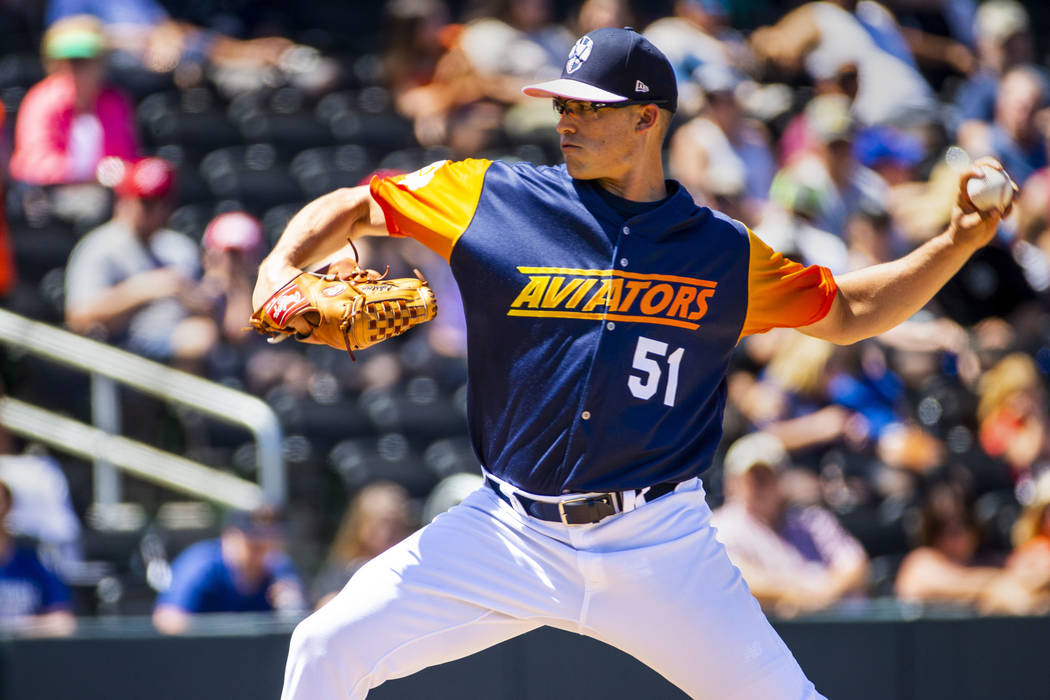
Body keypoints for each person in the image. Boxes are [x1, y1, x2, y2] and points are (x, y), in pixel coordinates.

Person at [253, 27, 1012, 700]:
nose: (567, 120)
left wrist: (956, 245)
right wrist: (279, 266)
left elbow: (850, 312)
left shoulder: (720, 251)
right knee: (323, 649)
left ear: (647, 118)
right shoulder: (492, 195)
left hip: (657, 541)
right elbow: (358, 207)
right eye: (562, 105)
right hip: (508, 530)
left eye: (589, 106)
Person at [64, 157, 220, 368]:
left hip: (169, 339)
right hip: (118, 349)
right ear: (123, 201)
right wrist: (142, 290)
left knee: (202, 333)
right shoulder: (99, 247)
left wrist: (194, 296)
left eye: (160, 202)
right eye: (144, 202)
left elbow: (208, 308)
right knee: (195, 337)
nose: (153, 211)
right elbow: (78, 317)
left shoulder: (179, 248)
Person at [710, 432, 869, 616]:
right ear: (732, 483)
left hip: (826, 630)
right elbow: (734, 578)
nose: (757, 485)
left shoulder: (810, 521)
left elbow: (856, 566)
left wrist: (823, 596)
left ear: (782, 479)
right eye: (751, 478)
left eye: (765, 476)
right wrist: (794, 594)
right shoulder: (720, 526)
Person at [9, 15, 138, 187]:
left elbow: (125, 159)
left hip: (106, 199)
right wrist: (88, 172)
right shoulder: (41, 101)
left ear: (100, 64)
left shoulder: (115, 103)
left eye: (82, 62)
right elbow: (32, 164)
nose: (72, 70)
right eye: (65, 62)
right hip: (52, 202)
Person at [152, 505, 305, 634]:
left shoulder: (280, 567)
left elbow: (307, 618)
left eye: (268, 540)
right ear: (229, 535)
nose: (261, 547)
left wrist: (293, 611)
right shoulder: (202, 563)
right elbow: (166, 618)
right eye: (253, 542)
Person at [312, 481, 414, 609]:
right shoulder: (343, 569)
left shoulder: (411, 567)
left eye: (397, 524)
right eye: (382, 523)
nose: (389, 532)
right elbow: (322, 610)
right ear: (361, 524)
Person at [0, 480, 76, 636]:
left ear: (9, 506)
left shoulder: (30, 559)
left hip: (24, 652)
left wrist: (16, 627)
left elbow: (63, 621)